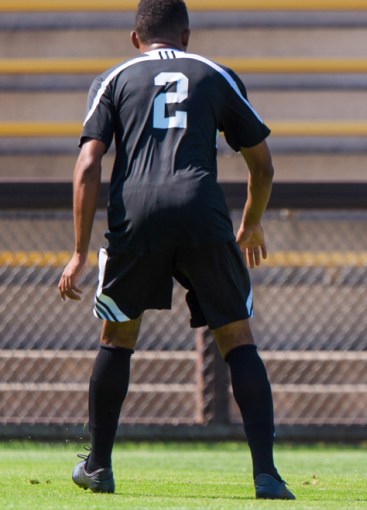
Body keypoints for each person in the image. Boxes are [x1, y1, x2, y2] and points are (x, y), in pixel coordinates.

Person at [56, 0, 294, 500]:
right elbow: (264, 167)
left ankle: (98, 466)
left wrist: (78, 252)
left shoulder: (113, 78)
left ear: (134, 37)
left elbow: (87, 166)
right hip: (201, 211)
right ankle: (266, 476)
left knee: (117, 338)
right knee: (237, 337)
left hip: (135, 216)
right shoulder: (215, 74)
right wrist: (249, 225)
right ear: (186, 34)